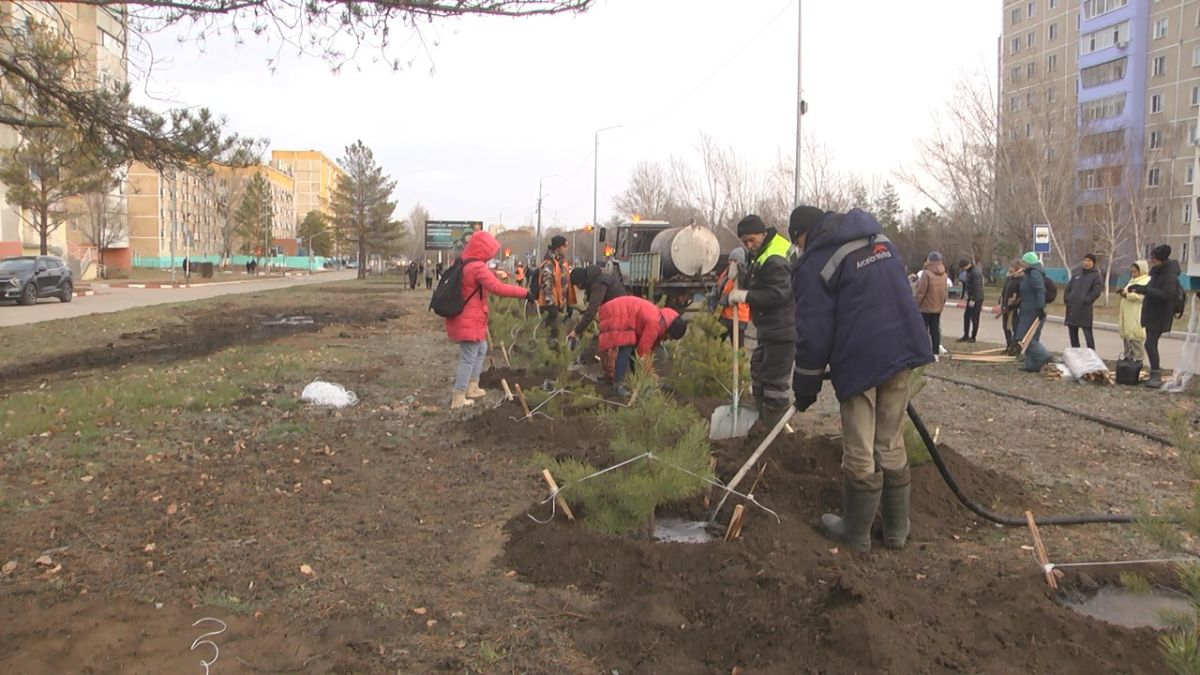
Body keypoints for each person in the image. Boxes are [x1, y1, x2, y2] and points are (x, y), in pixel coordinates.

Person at [788, 205, 934, 554]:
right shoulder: (879, 239)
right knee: (890, 439)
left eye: (797, 242)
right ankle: (897, 531)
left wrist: (805, 384)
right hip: (903, 348)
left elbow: (813, 331)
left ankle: (856, 534)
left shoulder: (817, 260)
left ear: (802, 236)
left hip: (860, 358)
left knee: (860, 444)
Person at [443, 230, 535, 409]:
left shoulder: (466, 263)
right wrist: (524, 293)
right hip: (470, 318)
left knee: (481, 349)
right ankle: (459, 395)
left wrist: (494, 273)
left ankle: (472, 386)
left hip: (470, 317)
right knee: (468, 356)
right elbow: (498, 288)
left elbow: (485, 278)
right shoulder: (476, 267)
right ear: (483, 250)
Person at [726, 214, 794, 428]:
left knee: (773, 382)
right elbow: (760, 279)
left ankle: (776, 434)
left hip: (783, 328)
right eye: (744, 241)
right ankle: (763, 424)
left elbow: (777, 293)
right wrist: (741, 274)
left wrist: (745, 296)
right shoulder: (762, 251)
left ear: (763, 233)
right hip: (769, 328)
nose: (749, 245)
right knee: (757, 369)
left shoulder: (775, 257)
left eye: (751, 240)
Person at [597, 295, 688, 397]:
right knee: (627, 347)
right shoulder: (655, 324)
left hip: (626, 312)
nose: (669, 340)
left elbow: (644, 350)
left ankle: (636, 380)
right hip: (618, 312)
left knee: (632, 347)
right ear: (670, 330)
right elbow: (642, 352)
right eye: (671, 337)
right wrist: (650, 374)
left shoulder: (663, 320)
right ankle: (618, 385)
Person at [1128, 245, 1181, 388]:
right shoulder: (1157, 271)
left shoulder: (1169, 274)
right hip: (1152, 312)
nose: (1152, 260)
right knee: (1150, 344)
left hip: (1161, 314)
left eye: (1154, 258)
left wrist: (1145, 290)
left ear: (1161, 259)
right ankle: (1154, 374)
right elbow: (1152, 290)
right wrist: (1139, 289)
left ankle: (1156, 375)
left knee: (1150, 344)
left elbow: (1167, 295)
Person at [567, 265, 629, 382]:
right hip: (613, 314)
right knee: (603, 346)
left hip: (620, 314)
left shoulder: (598, 283)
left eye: (577, 285)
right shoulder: (595, 280)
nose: (578, 288)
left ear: (581, 281)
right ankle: (609, 376)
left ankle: (616, 379)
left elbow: (592, 310)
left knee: (609, 347)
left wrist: (576, 331)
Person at [1015, 252, 1051, 372]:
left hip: (1033, 311)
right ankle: (1032, 365)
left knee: (1026, 337)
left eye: (1023, 262)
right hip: (1027, 309)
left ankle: (1044, 356)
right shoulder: (1029, 273)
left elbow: (1040, 291)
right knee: (1031, 338)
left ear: (1028, 263)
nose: (1022, 264)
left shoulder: (1034, 274)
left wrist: (1040, 308)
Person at [537, 235, 576, 337]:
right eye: (565, 246)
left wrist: (569, 304)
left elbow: (566, 284)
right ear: (558, 248)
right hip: (549, 307)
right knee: (550, 335)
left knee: (557, 334)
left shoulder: (563, 263)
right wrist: (550, 305)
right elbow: (547, 284)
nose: (566, 249)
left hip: (559, 305)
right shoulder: (548, 264)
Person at [1064, 253, 1104, 350]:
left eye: (1089, 261)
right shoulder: (1077, 274)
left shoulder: (1096, 276)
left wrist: (1087, 300)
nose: (1086, 263)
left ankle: (1091, 355)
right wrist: (1067, 299)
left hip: (1084, 309)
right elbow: (1068, 288)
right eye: (1085, 260)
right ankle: (1076, 354)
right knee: (1072, 333)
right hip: (1072, 309)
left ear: (1093, 263)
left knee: (1087, 334)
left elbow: (1096, 291)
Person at [714, 247, 751, 343]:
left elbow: (742, 291)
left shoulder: (743, 276)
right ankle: (717, 358)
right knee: (716, 343)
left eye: (735, 260)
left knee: (738, 348)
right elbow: (720, 287)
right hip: (725, 316)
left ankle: (738, 358)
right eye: (730, 260)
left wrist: (725, 299)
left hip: (738, 317)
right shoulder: (726, 273)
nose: (731, 263)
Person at [914, 252, 948, 356]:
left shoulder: (926, 273)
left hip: (925, 307)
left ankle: (923, 352)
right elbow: (944, 292)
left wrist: (916, 304)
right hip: (938, 307)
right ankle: (935, 353)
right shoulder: (944, 274)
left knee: (922, 331)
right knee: (935, 330)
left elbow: (921, 291)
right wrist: (942, 304)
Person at [1118, 260, 1150, 363]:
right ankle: (1128, 358)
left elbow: (1140, 296)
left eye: (1135, 272)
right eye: (1132, 272)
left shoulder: (1146, 281)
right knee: (1127, 336)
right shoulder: (1132, 280)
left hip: (1136, 312)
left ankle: (1138, 360)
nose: (1133, 274)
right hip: (1127, 311)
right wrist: (1123, 291)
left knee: (1135, 336)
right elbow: (1129, 291)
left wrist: (1126, 295)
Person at [999, 260, 1024, 354]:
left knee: (1014, 328)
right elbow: (1005, 290)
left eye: (1012, 267)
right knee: (1006, 327)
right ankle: (1009, 345)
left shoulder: (1021, 279)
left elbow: (1020, 295)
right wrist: (1001, 299)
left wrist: (1015, 303)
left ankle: (1015, 347)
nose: (1010, 268)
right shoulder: (1009, 278)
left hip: (1014, 309)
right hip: (1005, 307)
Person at [956, 258, 983, 343]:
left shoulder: (975, 273)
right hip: (971, 298)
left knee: (974, 318)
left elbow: (977, 287)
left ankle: (973, 337)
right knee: (966, 316)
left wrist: (973, 300)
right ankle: (966, 335)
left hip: (976, 299)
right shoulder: (969, 272)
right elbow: (966, 285)